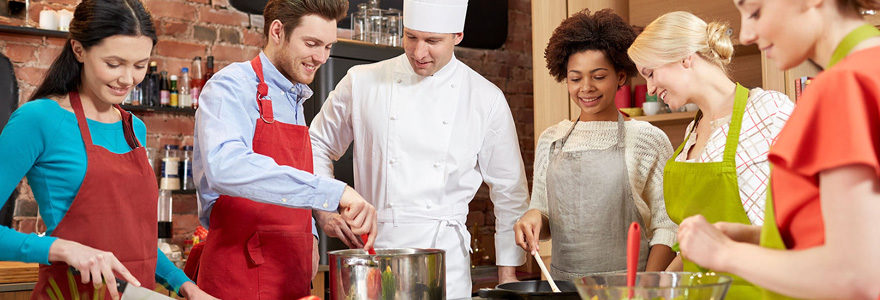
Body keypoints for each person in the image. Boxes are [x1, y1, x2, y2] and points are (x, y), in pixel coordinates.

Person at [308, 0, 529, 297]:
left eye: (432, 41)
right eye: (411, 37)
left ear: (457, 36)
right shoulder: (362, 82)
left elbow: (509, 190)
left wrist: (508, 273)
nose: (418, 52)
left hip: (445, 260)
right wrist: (324, 209)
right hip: (374, 254)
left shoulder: (485, 98)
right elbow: (316, 143)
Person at [0, 0, 215, 299]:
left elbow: (135, 241)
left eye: (140, 65)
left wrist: (185, 285)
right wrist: (61, 248)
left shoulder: (134, 128)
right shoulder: (39, 120)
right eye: (114, 64)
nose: (128, 79)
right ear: (78, 50)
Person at [677, 0, 880, 299]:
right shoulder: (869, 67)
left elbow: (856, 275)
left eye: (756, 11)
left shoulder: (842, 84)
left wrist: (724, 254)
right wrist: (763, 237)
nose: (745, 35)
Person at [190, 0, 376, 298]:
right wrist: (334, 192)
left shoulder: (294, 98)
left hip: (290, 274)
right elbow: (226, 167)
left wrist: (313, 232)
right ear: (278, 31)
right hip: (239, 277)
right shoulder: (231, 85)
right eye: (312, 43)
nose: (321, 57)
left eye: (328, 46)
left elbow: (287, 185)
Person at [627, 11, 795, 299]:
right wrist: (658, 285)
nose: (651, 89)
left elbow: (805, 222)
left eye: (650, 73)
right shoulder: (691, 136)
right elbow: (693, 247)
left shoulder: (769, 112)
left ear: (684, 57)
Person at [513, 9, 677, 280]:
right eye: (575, 78)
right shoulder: (552, 140)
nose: (585, 88)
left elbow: (668, 226)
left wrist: (647, 289)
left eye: (599, 76)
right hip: (563, 288)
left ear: (621, 77)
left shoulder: (648, 139)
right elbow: (542, 213)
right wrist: (531, 219)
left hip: (628, 291)